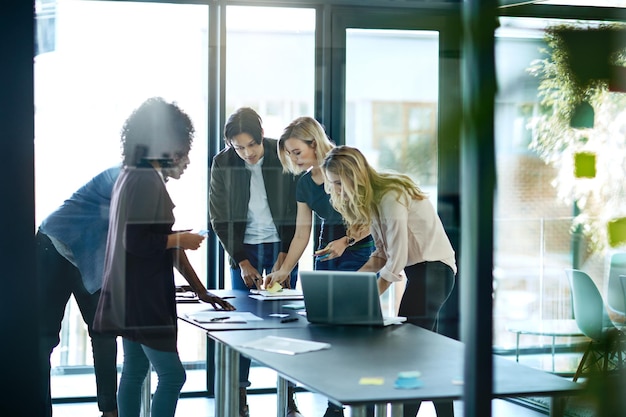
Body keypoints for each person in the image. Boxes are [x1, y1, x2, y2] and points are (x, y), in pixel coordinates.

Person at [94, 97, 234, 417]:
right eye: (183, 150)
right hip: (145, 300)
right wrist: (179, 238)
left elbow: (159, 243)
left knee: (134, 371)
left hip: (131, 296)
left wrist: (200, 290)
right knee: (172, 376)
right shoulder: (145, 180)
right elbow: (138, 240)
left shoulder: (134, 175)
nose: (185, 159)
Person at [321, 145, 457, 417]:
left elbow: (396, 260)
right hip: (421, 273)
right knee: (423, 353)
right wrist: (348, 289)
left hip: (434, 272)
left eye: (337, 183)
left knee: (409, 352)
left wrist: (366, 297)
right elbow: (380, 255)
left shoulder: (390, 196)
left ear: (352, 176)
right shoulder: (374, 200)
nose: (334, 190)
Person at [264, 117, 374, 417]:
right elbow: (302, 234)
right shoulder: (304, 183)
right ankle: (335, 405)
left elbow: (371, 212)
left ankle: (361, 402)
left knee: (354, 331)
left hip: (361, 247)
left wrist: (347, 241)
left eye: (296, 151)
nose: (293, 159)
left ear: (314, 143)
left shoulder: (344, 162)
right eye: (289, 154)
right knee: (329, 331)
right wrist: (283, 270)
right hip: (327, 249)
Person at [209, 107, 301, 417]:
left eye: (251, 145)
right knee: (242, 325)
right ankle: (240, 397)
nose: (247, 153)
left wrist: (287, 253)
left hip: (281, 247)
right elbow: (219, 218)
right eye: (239, 147)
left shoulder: (281, 155)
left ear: (262, 137)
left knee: (284, 322)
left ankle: (288, 399)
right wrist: (241, 261)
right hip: (244, 249)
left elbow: (295, 208)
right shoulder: (222, 163)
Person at [36, 166, 121, 417]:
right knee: (42, 339)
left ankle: (109, 411)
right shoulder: (126, 177)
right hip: (53, 246)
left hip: (88, 256)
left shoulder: (147, 183)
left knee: (104, 332)